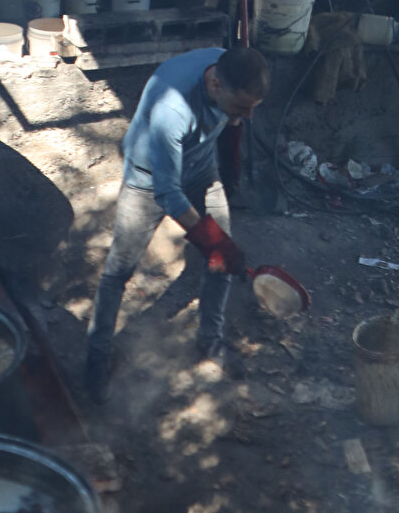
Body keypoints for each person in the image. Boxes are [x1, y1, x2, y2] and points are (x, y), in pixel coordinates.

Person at [84, 45, 270, 402]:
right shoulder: (173, 108)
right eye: (241, 107)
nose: (246, 116)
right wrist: (214, 243)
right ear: (216, 85)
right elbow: (167, 193)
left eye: (252, 108)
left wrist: (229, 162)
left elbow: (231, 121)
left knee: (221, 263)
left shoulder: (227, 65)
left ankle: (209, 341)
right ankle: (97, 356)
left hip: (201, 168)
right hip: (149, 179)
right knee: (118, 272)